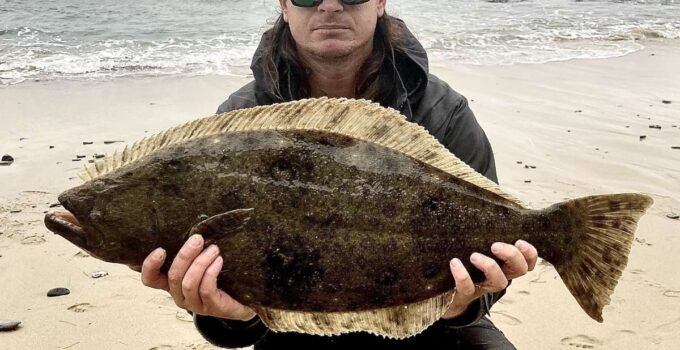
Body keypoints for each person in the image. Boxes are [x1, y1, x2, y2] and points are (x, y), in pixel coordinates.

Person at [141, 1, 538, 348]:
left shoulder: (443, 112)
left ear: (380, 2)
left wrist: (465, 303)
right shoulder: (240, 122)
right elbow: (239, 320)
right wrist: (230, 316)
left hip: (435, 329)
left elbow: (490, 255)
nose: (329, 5)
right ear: (284, 5)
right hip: (290, 335)